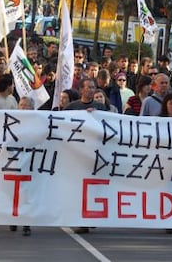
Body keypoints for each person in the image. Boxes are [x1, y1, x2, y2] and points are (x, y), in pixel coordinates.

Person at [65, 79, 106, 235]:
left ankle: (91, 217)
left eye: (93, 87)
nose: (90, 90)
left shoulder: (101, 108)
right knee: (79, 189)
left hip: (95, 154)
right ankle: (82, 220)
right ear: (81, 90)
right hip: (76, 154)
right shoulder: (71, 108)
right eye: (88, 87)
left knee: (93, 188)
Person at [9, 96, 34, 236]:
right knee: (13, 191)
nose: (23, 107)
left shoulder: (37, 121)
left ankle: (26, 223)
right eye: (21, 105)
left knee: (27, 193)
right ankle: (13, 219)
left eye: (26, 105)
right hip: (14, 161)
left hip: (30, 162)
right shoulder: (11, 121)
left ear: (32, 108)